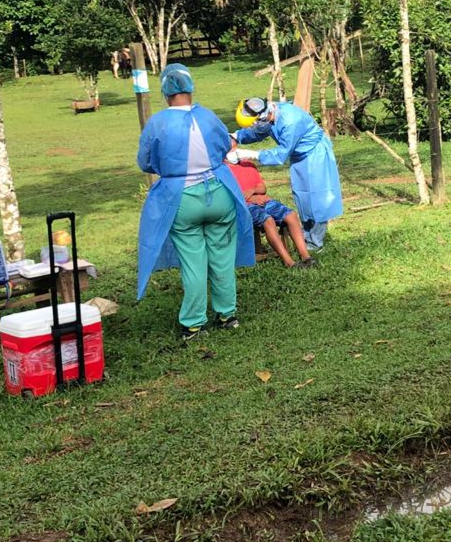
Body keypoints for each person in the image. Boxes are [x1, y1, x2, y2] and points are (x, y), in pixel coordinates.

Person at [136, 64, 255, 341]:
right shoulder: (208, 116)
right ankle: (227, 315)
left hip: (182, 199)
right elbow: (226, 146)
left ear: (166, 91)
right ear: (190, 87)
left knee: (193, 263)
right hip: (220, 193)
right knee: (222, 259)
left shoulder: (157, 123)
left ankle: (193, 324)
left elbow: (145, 162)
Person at [232, 98, 342, 250]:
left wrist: (252, 154)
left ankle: (315, 242)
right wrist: (236, 136)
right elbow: (258, 131)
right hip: (299, 156)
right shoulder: (268, 114)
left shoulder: (290, 121)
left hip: (315, 155)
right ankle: (306, 235)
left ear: (262, 117)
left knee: (317, 198)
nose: (254, 127)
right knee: (302, 196)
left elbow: (280, 154)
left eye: (254, 123)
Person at [226, 146, 315, 269]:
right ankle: (289, 262)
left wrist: (252, 191)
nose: (235, 150)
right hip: (244, 206)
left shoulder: (248, 164)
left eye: (236, 147)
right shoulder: (223, 171)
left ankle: (306, 257)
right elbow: (229, 195)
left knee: (291, 215)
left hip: (264, 200)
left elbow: (262, 188)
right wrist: (251, 199)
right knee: (268, 220)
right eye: (231, 148)